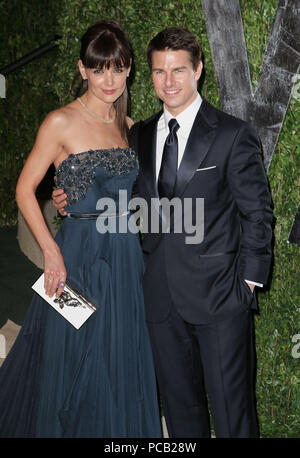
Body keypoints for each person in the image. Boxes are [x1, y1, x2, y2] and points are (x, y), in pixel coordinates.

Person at [53, 27, 273, 438]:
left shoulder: (232, 134)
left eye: (178, 70)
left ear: (199, 71)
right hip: (157, 300)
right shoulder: (138, 134)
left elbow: (257, 214)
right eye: (159, 72)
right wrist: (73, 197)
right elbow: (126, 201)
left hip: (220, 298)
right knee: (180, 412)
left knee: (232, 415)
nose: (168, 82)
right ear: (149, 76)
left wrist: (248, 283)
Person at [0, 20, 162, 438]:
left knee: (116, 358)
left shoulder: (129, 129)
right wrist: (51, 252)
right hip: (75, 259)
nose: (109, 80)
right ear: (82, 69)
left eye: (119, 68)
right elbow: (23, 190)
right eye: (99, 69)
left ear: (129, 70)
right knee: (70, 359)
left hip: (125, 260)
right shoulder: (60, 122)